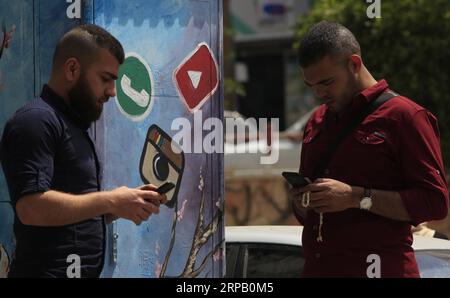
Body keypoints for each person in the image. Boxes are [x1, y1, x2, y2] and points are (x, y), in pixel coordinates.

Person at [0, 24, 167, 278]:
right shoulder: (35, 121)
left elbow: (70, 216)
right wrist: (109, 200)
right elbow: (31, 208)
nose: (112, 92)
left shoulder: (72, 126)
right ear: (72, 69)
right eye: (105, 79)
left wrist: (118, 207)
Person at [290, 21, 449, 277]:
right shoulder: (317, 121)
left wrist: (356, 197)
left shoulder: (405, 116)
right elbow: (308, 214)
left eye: (327, 82)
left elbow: (434, 203)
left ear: (354, 63)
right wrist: (302, 201)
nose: (319, 93)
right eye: (312, 86)